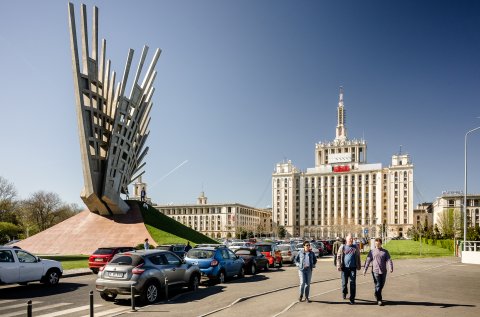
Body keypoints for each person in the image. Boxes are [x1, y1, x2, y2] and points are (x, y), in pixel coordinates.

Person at [363, 238, 393, 306]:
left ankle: (376, 293)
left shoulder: (385, 252)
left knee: (381, 285)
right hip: (375, 271)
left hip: (383, 271)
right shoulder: (372, 251)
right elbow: (368, 261)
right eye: (376, 244)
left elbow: (389, 260)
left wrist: (390, 267)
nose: (377, 245)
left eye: (378, 244)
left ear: (381, 244)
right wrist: (365, 269)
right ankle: (379, 299)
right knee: (378, 285)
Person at [336, 234, 361, 304]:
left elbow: (358, 257)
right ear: (346, 240)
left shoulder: (355, 247)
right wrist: (338, 266)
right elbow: (338, 256)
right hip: (344, 268)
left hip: (353, 268)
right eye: (350, 239)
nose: (351, 240)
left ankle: (352, 298)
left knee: (352, 283)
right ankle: (344, 292)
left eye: (352, 239)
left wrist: (359, 265)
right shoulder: (342, 247)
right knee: (344, 283)